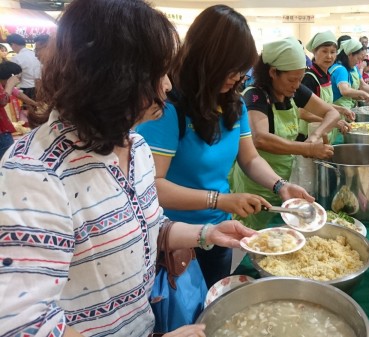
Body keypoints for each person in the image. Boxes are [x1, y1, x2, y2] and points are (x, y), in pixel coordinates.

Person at [0, 1, 257, 336]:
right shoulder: (34, 174)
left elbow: (145, 226)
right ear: (114, 77)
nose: (166, 86)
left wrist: (206, 234)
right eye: (158, 74)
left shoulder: (134, 146)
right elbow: (24, 325)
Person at [136, 6, 310, 290]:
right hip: (175, 239)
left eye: (242, 71)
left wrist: (281, 186)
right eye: (232, 69)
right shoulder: (169, 110)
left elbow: (250, 158)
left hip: (220, 231)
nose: (238, 77)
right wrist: (218, 199)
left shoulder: (233, 102)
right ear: (207, 60)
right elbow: (153, 187)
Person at [229, 37, 339, 230]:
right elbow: (260, 139)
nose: (297, 85)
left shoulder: (294, 91)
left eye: (299, 79)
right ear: (273, 72)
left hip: (281, 180)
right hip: (254, 183)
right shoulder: (255, 95)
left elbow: (332, 113)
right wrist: (308, 149)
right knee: (252, 232)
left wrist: (314, 137)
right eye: (291, 79)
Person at [300, 30, 354, 142]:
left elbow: (321, 105)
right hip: (309, 136)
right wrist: (332, 121)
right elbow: (304, 113)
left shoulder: (327, 74)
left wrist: (342, 109)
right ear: (315, 52)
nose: (329, 56)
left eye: (333, 52)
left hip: (323, 133)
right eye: (324, 51)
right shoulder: (309, 78)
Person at [329, 38, 369, 108]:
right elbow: (344, 91)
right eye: (358, 58)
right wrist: (363, 93)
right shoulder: (340, 69)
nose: (358, 62)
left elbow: (362, 85)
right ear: (350, 55)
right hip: (339, 109)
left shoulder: (353, 67)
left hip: (348, 107)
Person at [0, 61, 39, 129]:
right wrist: (10, 85)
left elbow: (20, 95)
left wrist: (36, 104)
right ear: (11, 76)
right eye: (17, 76)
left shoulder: (6, 85)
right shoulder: (6, 86)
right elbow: (2, 102)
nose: (19, 79)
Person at [6, 33, 41, 101]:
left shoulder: (16, 58)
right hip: (38, 87)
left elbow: (15, 77)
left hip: (24, 90)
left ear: (13, 44)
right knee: (37, 108)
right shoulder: (35, 54)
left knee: (26, 110)